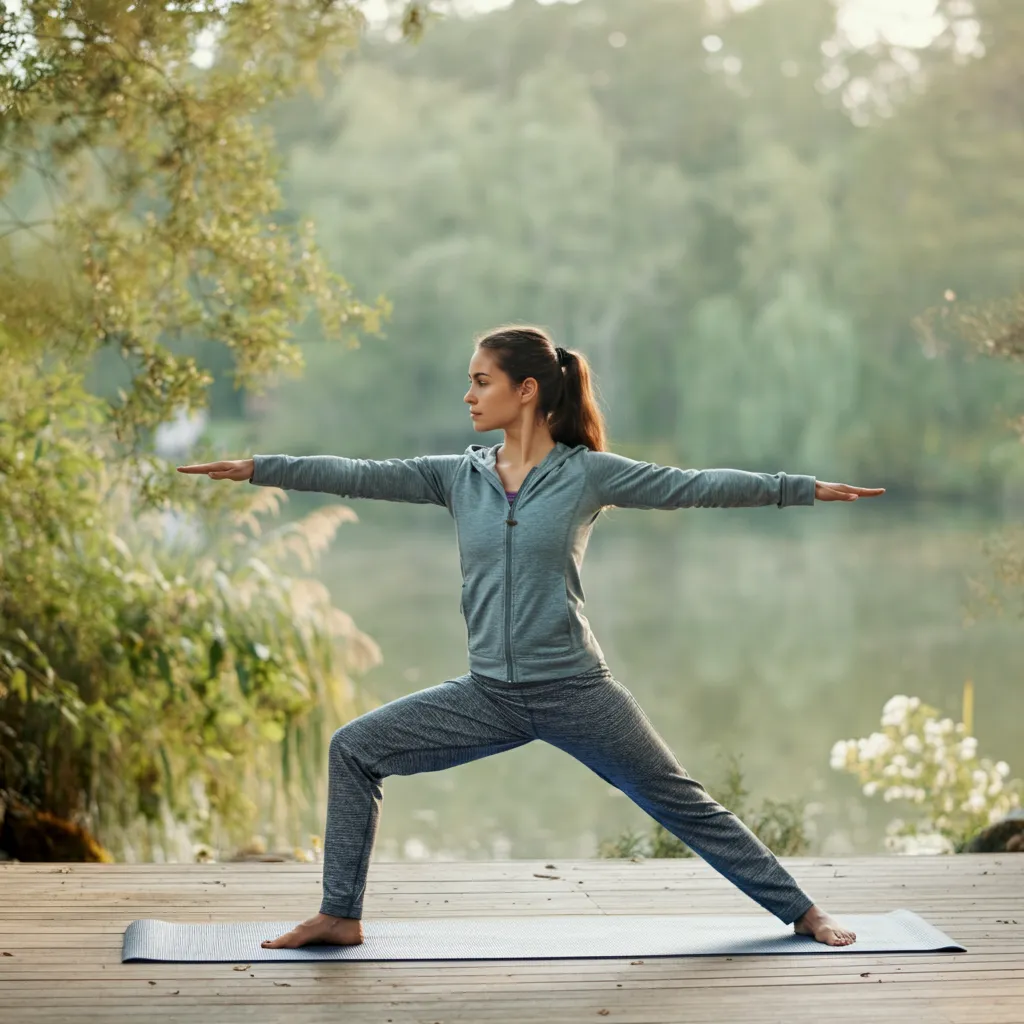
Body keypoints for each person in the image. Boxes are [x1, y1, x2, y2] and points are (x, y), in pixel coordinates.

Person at [178, 324, 884, 950]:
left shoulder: (586, 477)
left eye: (480, 381)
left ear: (526, 391)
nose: (469, 396)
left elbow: (690, 485)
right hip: (488, 695)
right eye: (468, 382)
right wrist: (258, 468)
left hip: (577, 689)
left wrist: (800, 487)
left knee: (684, 803)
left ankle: (803, 912)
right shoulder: (459, 478)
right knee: (354, 749)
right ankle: (339, 914)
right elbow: (359, 473)